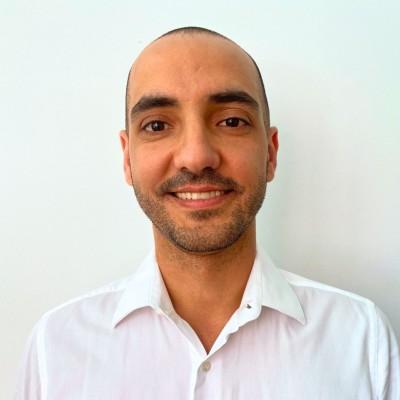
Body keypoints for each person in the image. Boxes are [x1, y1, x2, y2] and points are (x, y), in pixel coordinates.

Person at [16, 26, 399, 399]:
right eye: (157, 125)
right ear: (127, 158)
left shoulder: (360, 338)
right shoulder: (57, 347)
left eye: (231, 121)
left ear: (270, 153)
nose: (196, 156)